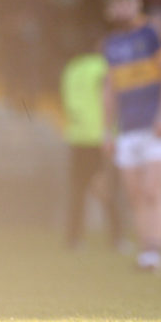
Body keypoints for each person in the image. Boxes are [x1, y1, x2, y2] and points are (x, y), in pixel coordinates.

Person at [101, 0, 161, 272]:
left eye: (125, 2)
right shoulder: (110, 44)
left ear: (136, 3)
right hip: (128, 129)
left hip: (154, 126)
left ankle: (154, 250)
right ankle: (145, 248)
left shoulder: (152, 33)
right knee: (136, 194)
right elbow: (110, 89)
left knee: (152, 190)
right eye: (115, 3)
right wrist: (107, 130)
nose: (120, 8)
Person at [60, 29, 125, 250]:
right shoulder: (103, 68)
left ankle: (74, 238)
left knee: (78, 190)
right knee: (106, 188)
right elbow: (111, 100)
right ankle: (117, 238)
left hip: (76, 136)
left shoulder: (71, 68)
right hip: (99, 136)